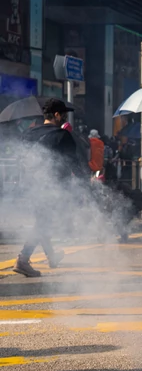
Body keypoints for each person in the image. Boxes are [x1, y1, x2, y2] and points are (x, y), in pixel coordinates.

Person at [14, 99, 82, 277]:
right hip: (52, 187)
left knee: (43, 220)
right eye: (63, 114)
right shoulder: (62, 135)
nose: (65, 117)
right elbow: (75, 164)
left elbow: (20, 159)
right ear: (57, 115)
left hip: (30, 186)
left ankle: (51, 256)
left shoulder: (27, 134)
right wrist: (87, 182)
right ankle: (23, 259)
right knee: (44, 223)